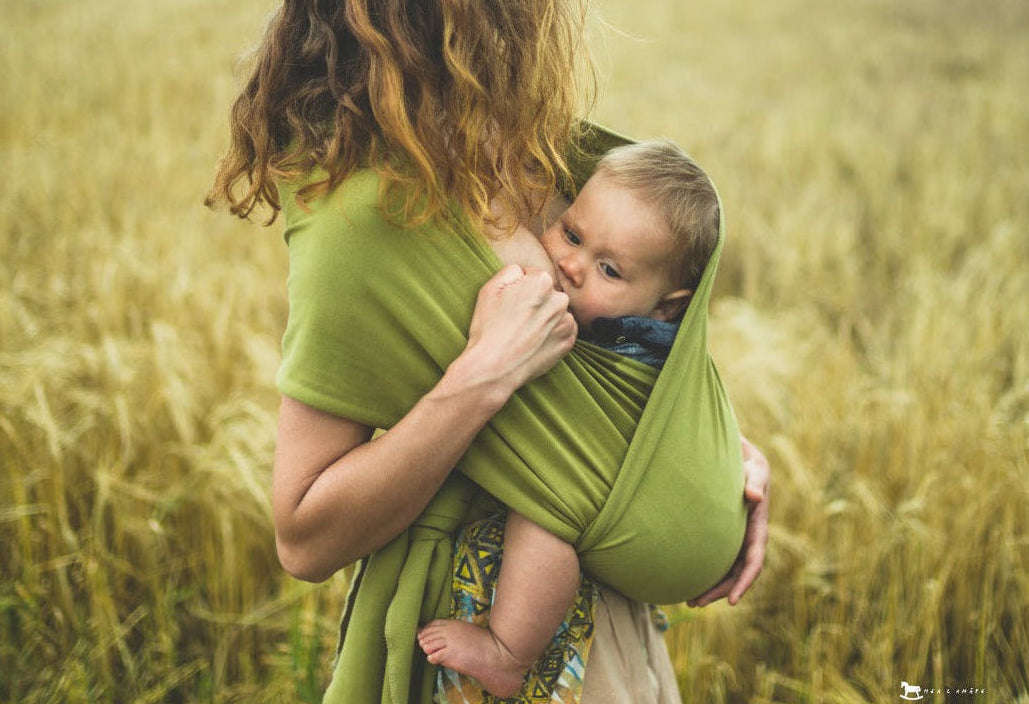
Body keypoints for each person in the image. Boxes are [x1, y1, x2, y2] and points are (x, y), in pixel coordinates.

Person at [206, 2, 770, 703]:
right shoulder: (358, 217)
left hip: (613, 637)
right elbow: (303, 537)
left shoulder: (533, 148)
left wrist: (709, 455)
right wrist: (480, 378)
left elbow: (619, 356)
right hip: (470, 631)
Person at [417, 139, 724, 697]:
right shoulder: (614, 303)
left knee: (549, 514)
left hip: (594, 513)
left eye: (608, 269)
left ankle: (508, 652)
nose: (570, 265)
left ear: (666, 307)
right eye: (572, 233)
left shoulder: (635, 347)